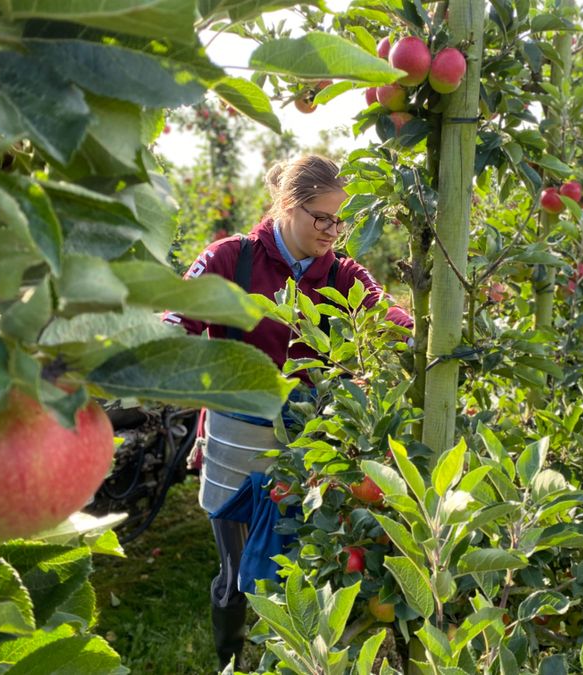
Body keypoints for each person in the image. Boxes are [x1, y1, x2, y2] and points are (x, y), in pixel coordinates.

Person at [163, 155, 412, 671]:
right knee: (234, 575)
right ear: (288, 206)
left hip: (308, 455)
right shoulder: (233, 259)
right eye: (322, 218)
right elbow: (176, 314)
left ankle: (297, 654)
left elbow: (386, 311)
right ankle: (229, 654)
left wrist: (425, 334)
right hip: (235, 446)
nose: (332, 231)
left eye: (340, 220)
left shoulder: (341, 273)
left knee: (302, 566)